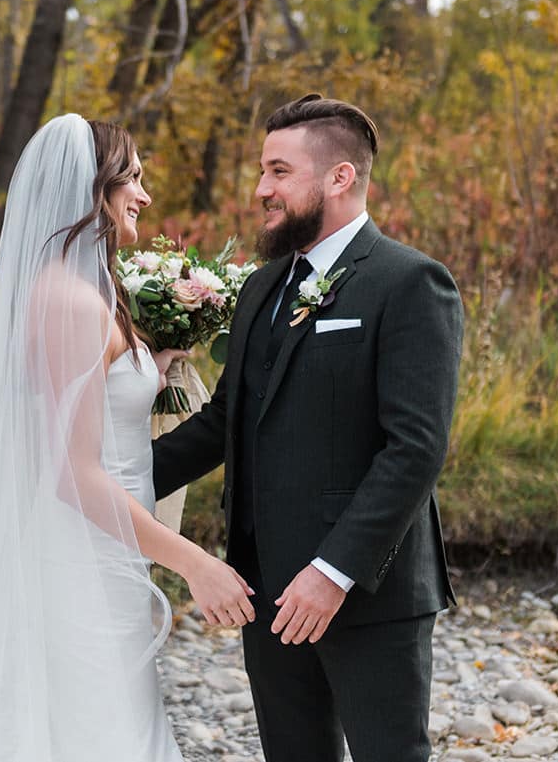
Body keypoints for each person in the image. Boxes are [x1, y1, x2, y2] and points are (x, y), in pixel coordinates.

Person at [0, 114, 253, 762]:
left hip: (108, 551)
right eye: (134, 178)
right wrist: (194, 561)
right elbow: (73, 473)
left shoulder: (83, 292)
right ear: (93, 190)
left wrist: (150, 369)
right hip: (82, 558)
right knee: (98, 731)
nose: (146, 197)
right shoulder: (72, 302)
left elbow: (90, 404)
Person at [153, 94, 464, 762]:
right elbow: (223, 422)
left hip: (367, 590)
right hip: (265, 588)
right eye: (263, 172)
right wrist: (114, 476)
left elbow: (415, 448)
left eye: (279, 171)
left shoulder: (410, 283)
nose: (262, 189)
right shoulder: (262, 289)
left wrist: (334, 571)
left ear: (340, 177)